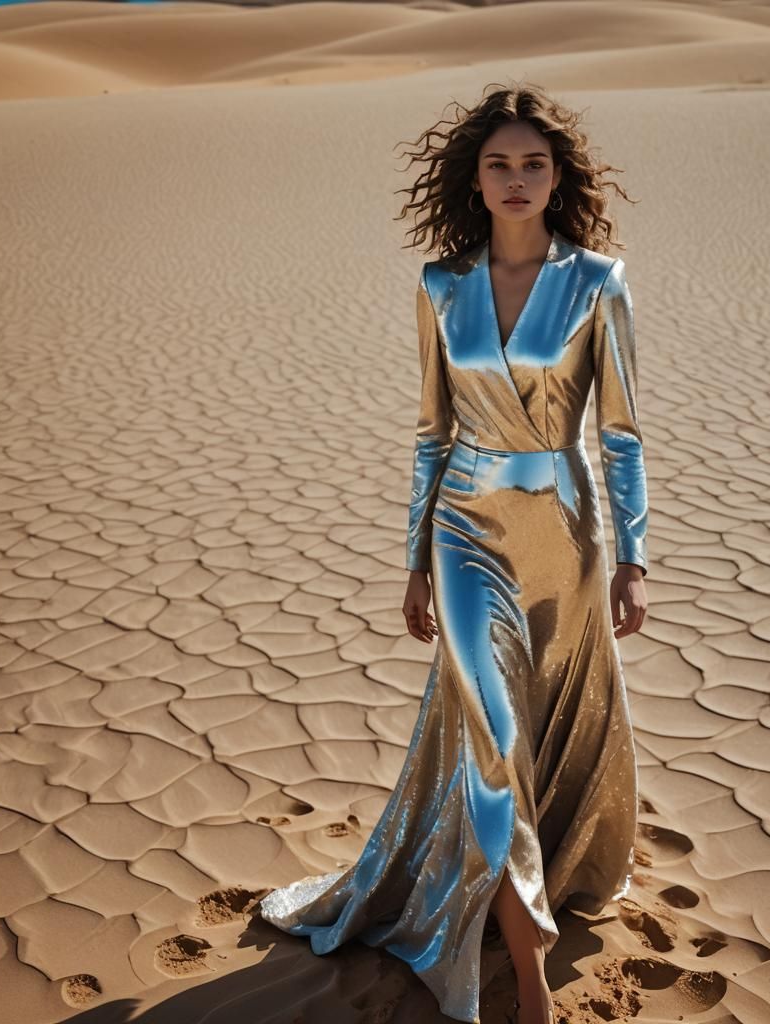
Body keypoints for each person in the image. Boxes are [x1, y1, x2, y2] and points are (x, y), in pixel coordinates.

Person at [258, 81, 649, 1024]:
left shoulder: (599, 281)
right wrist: (413, 560)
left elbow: (621, 432)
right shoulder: (441, 285)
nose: (516, 179)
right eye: (498, 164)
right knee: (494, 742)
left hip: (567, 534)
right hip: (466, 531)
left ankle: (537, 879)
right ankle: (532, 974)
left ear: (557, 178)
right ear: (474, 180)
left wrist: (632, 558)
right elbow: (431, 434)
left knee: (543, 727)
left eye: (533, 164)